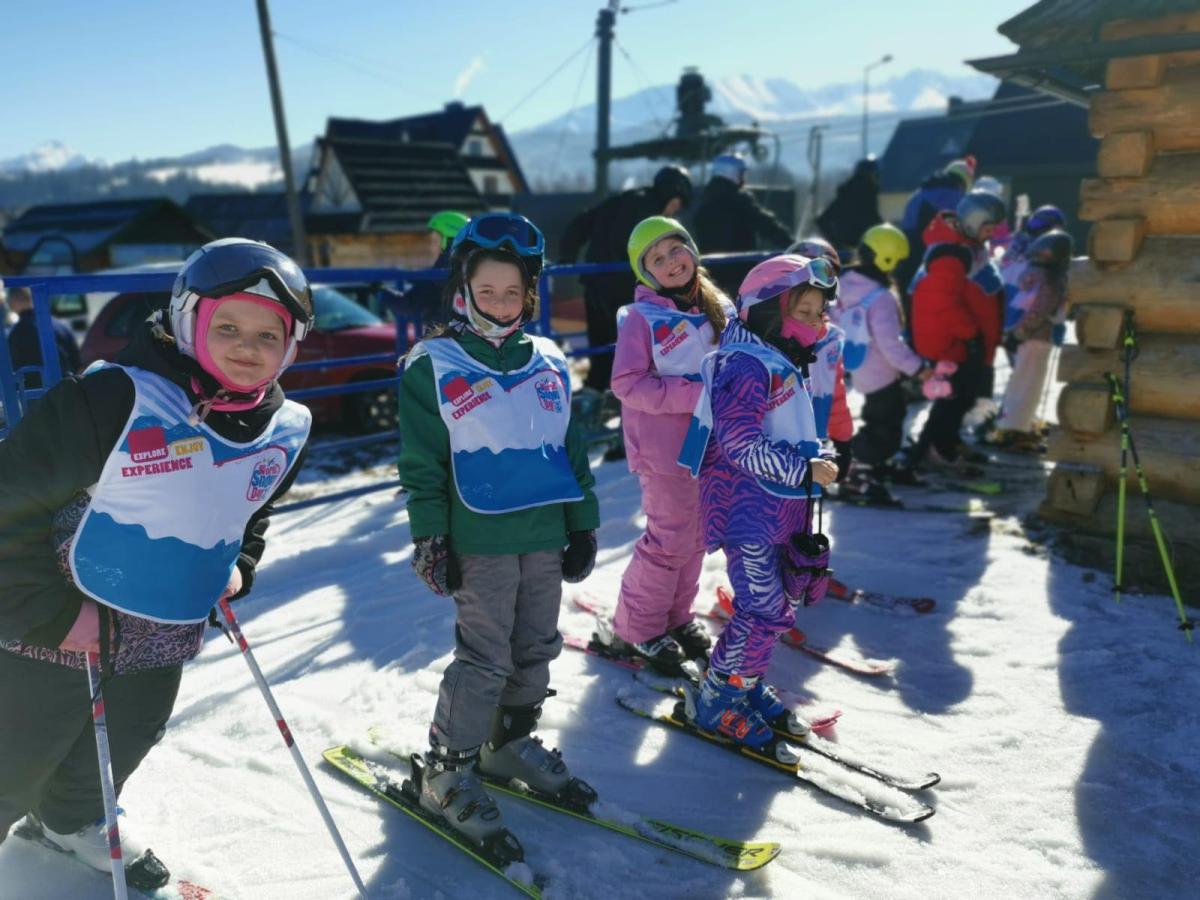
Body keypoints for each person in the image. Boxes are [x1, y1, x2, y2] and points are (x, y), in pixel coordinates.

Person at [0, 238, 313, 888]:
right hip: (56, 618)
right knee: (18, 751)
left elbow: (249, 505)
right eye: (227, 327)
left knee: (131, 730)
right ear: (187, 321)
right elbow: (10, 501)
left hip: (163, 624)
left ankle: (72, 819)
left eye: (268, 335)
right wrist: (51, 614)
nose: (247, 347)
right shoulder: (112, 399)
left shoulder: (283, 427)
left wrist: (239, 560)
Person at [396, 212, 600, 856]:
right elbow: (422, 464)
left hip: (543, 529)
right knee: (485, 656)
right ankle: (447, 767)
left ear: (529, 294)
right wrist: (431, 538)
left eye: (513, 292)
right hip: (478, 537)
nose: (501, 302)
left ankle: (505, 743)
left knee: (536, 643)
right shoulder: (433, 364)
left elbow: (570, 448)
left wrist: (583, 521)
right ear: (463, 288)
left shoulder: (549, 361)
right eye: (487, 290)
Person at [677, 254, 840, 748]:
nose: (815, 323)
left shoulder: (777, 357)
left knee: (774, 606)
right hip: (748, 511)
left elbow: (789, 428)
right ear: (770, 311)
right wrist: (802, 469)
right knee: (762, 608)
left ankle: (742, 683)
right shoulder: (745, 364)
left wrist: (819, 456)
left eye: (819, 313)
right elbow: (740, 443)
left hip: (779, 508)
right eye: (803, 312)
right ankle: (717, 699)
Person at [606, 216, 732, 672]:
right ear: (646, 273)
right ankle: (636, 628)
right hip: (664, 451)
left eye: (675, 248)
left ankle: (676, 617)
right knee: (669, 540)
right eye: (656, 259)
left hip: (712, 446)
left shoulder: (719, 307)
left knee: (697, 538)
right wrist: (696, 392)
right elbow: (627, 383)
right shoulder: (641, 318)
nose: (670, 261)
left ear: (692, 249)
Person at [896, 190, 1006, 478]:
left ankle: (949, 441)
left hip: (968, 339)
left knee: (964, 396)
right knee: (953, 398)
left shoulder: (968, 247)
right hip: (952, 341)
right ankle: (938, 449)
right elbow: (944, 302)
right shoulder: (950, 253)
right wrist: (970, 333)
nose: (992, 234)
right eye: (988, 227)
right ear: (972, 221)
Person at [560, 165, 694, 392]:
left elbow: (580, 224)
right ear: (671, 196)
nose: (673, 212)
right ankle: (623, 396)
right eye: (676, 204)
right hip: (623, 290)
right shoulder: (652, 219)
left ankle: (595, 395)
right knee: (629, 351)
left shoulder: (622, 199)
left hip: (594, 283)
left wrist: (567, 258)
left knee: (601, 347)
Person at [833, 224, 937, 496]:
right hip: (882, 372)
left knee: (880, 419)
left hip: (859, 365)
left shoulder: (843, 285)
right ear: (888, 261)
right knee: (885, 429)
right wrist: (918, 368)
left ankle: (872, 463)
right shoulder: (881, 297)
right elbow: (890, 344)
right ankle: (856, 466)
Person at [991, 229, 1073, 447]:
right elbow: (1039, 310)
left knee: (1020, 381)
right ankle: (1014, 429)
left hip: (1025, 336)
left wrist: (1016, 333)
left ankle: (1011, 424)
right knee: (1029, 385)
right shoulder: (1051, 281)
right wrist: (1021, 333)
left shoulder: (1031, 274)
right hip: (1036, 339)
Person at [693, 153, 794, 298]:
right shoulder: (740, 200)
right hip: (739, 275)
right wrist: (792, 245)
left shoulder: (703, 200)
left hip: (711, 275)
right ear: (733, 173)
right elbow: (767, 225)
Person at [895, 155, 976, 311]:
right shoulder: (954, 194)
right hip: (928, 249)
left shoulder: (922, 191)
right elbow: (957, 228)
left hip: (907, 248)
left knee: (909, 295)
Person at [393, 210, 471, 339]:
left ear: (448, 240)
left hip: (443, 340)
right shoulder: (472, 264)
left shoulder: (443, 268)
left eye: (434, 241)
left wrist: (381, 292)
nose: (430, 247)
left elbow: (411, 303)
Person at [5, 285, 83, 388]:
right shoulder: (61, 326)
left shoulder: (15, 333)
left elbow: (11, 370)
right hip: (66, 389)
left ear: (13, 302)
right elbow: (77, 363)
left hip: (34, 393)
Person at [816, 157, 883, 260]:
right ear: (868, 175)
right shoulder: (864, 196)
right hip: (858, 255)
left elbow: (822, 221)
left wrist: (837, 244)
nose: (877, 179)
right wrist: (839, 245)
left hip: (851, 253)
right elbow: (822, 221)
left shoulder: (847, 194)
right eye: (875, 175)